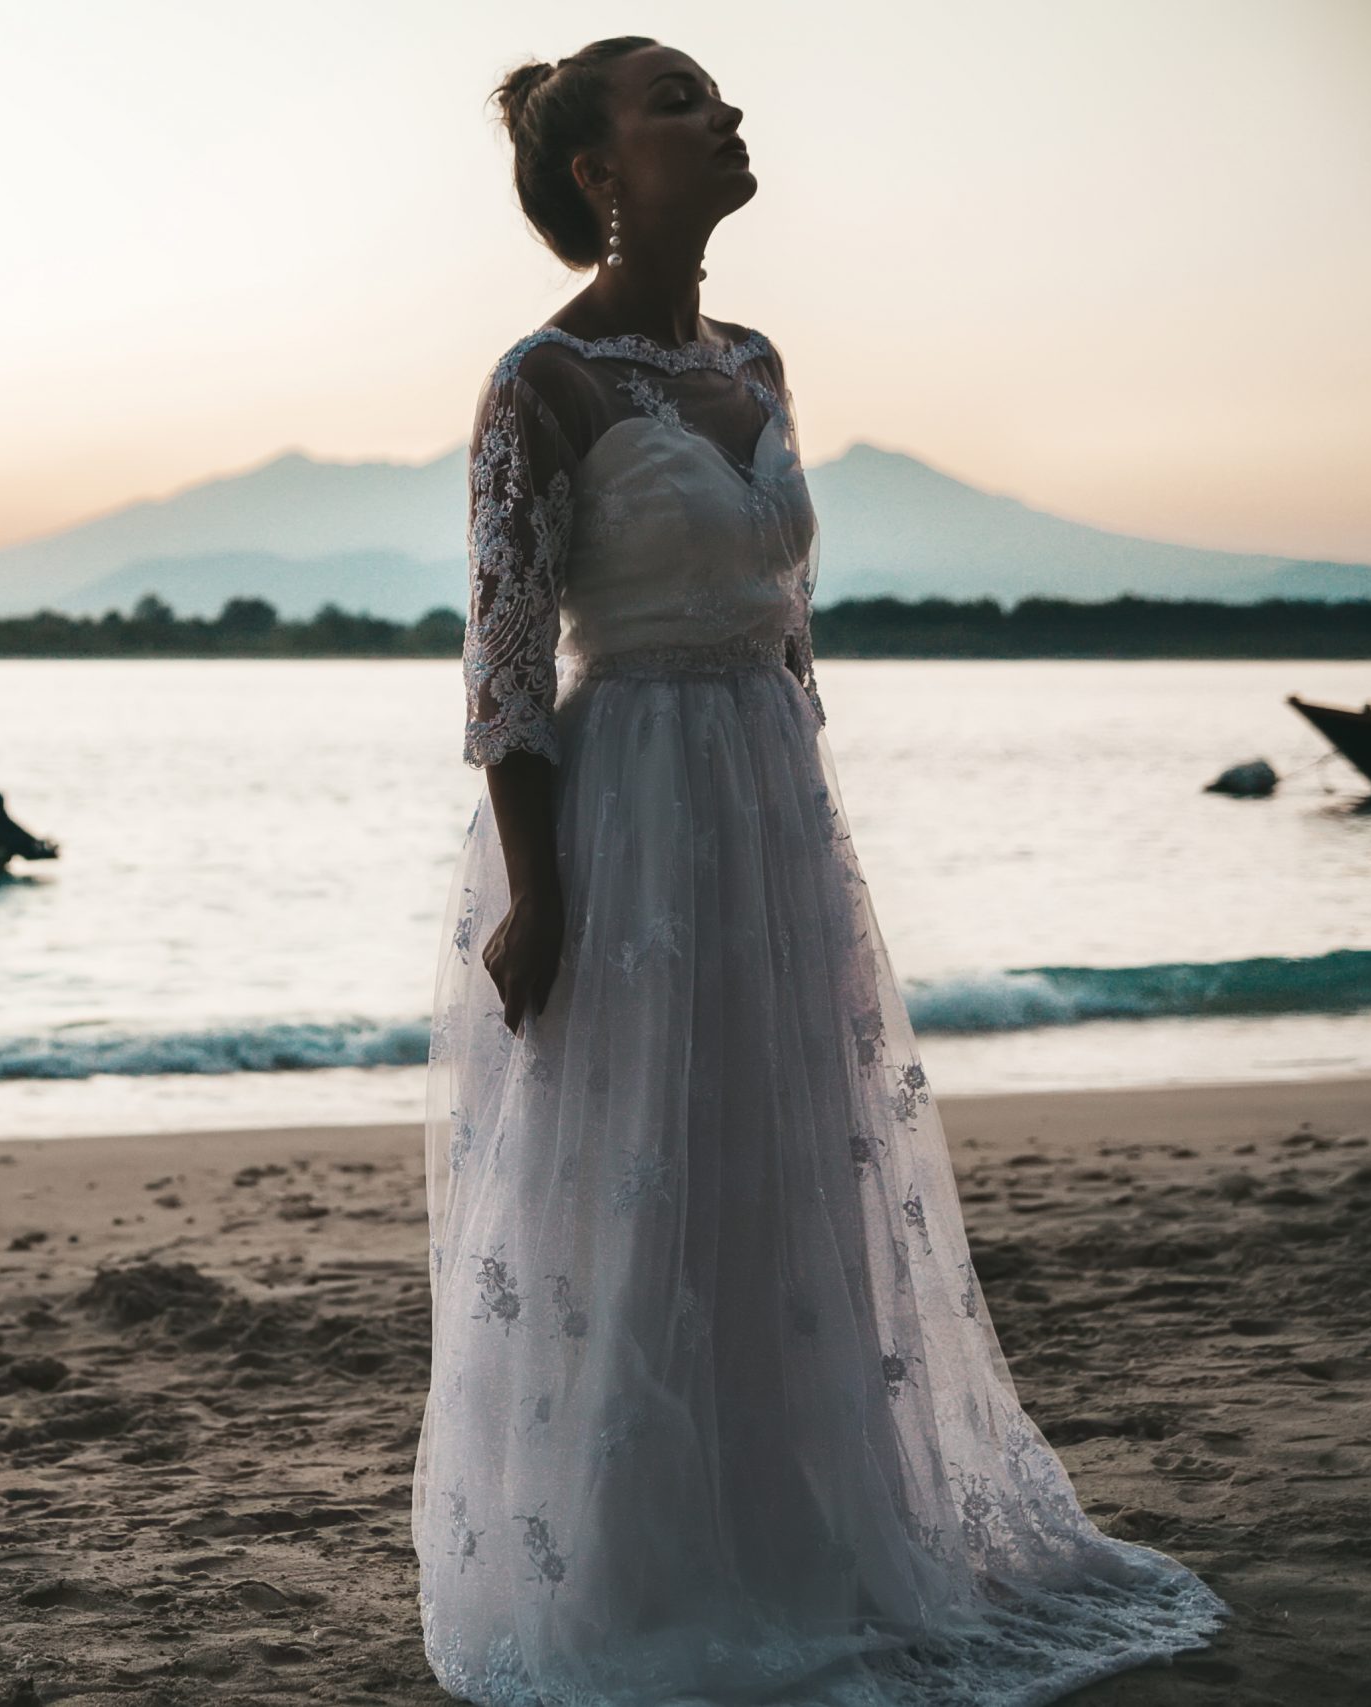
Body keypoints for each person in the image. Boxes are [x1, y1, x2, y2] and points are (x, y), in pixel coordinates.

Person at [414, 37, 1229, 1706]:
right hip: (627, 807)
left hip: (772, 813)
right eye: (679, 102)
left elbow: (790, 625)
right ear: (598, 176)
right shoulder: (539, 382)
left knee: (786, 1177)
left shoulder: (761, 360)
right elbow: (503, 674)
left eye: (718, 94)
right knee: (646, 1189)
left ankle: (802, 1534)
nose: (724, 116)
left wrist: (813, 808)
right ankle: (649, 1570)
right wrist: (539, 893)